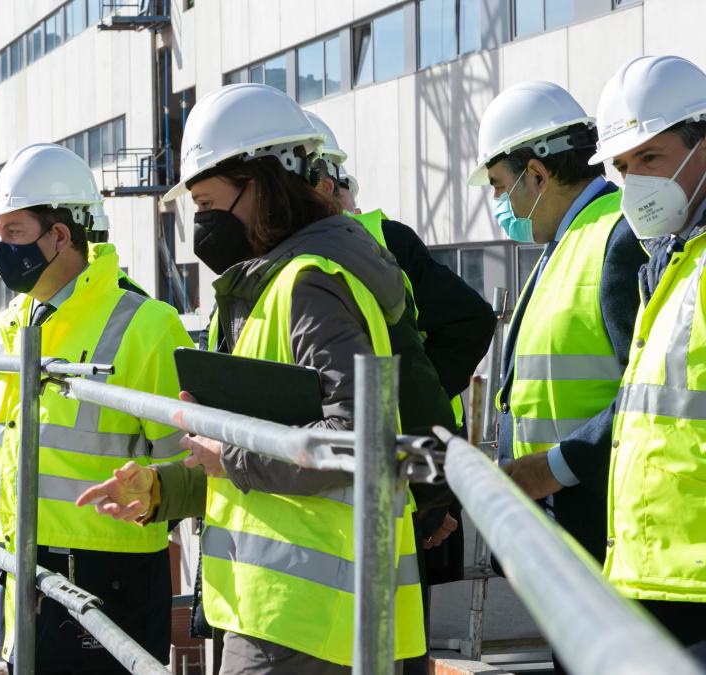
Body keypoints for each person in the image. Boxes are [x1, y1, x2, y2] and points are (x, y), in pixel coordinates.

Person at [78, 83, 426, 674]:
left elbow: (357, 441)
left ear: (267, 183)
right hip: (291, 615)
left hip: (314, 623)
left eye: (211, 202)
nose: (203, 223)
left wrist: (230, 457)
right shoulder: (263, 291)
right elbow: (238, 458)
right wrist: (163, 490)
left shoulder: (310, 287)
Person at [0, 143, 193, 673]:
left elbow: (184, 462)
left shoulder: (145, 323)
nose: (2, 249)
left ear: (60, 235)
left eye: (15, 234)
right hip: (16, 559)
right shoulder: (12, 324)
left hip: (108, 575)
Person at [302, 109, 497, 673]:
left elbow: (467, 324)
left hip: (399, 474)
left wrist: (433, 489)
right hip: (337, 481)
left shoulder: (382, 240)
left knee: (400, 630)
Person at [469, 80, 648, 671]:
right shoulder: (567, 241)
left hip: (605, 534)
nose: (502, 205)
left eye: (500, 186)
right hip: (567, 538)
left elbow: (651, 395)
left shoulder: (618, 238)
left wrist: (553, 467)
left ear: (537, 175)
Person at [587, 55, 706, 662]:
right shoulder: (672, 261)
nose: (634, 183)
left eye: (651, 159)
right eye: (623, 166)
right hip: (662, 580)